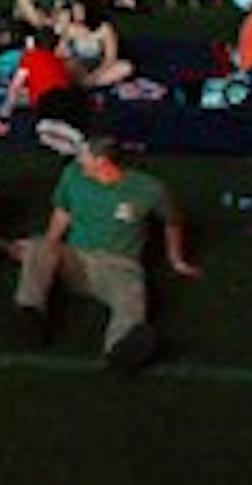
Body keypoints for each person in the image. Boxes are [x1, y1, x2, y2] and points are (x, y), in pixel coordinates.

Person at [14, 134, 200, 372]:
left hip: (119, 265)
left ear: (101, 161)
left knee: (132, 294)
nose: (79, 160)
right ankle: (30, 315)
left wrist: (177, 260)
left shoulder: (148, 189)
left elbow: (173, 221)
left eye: (84, 156)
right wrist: (45, 251)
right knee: (38, 246)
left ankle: (121, 347)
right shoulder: (72, 175)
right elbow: (62, 212)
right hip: (76, 257)